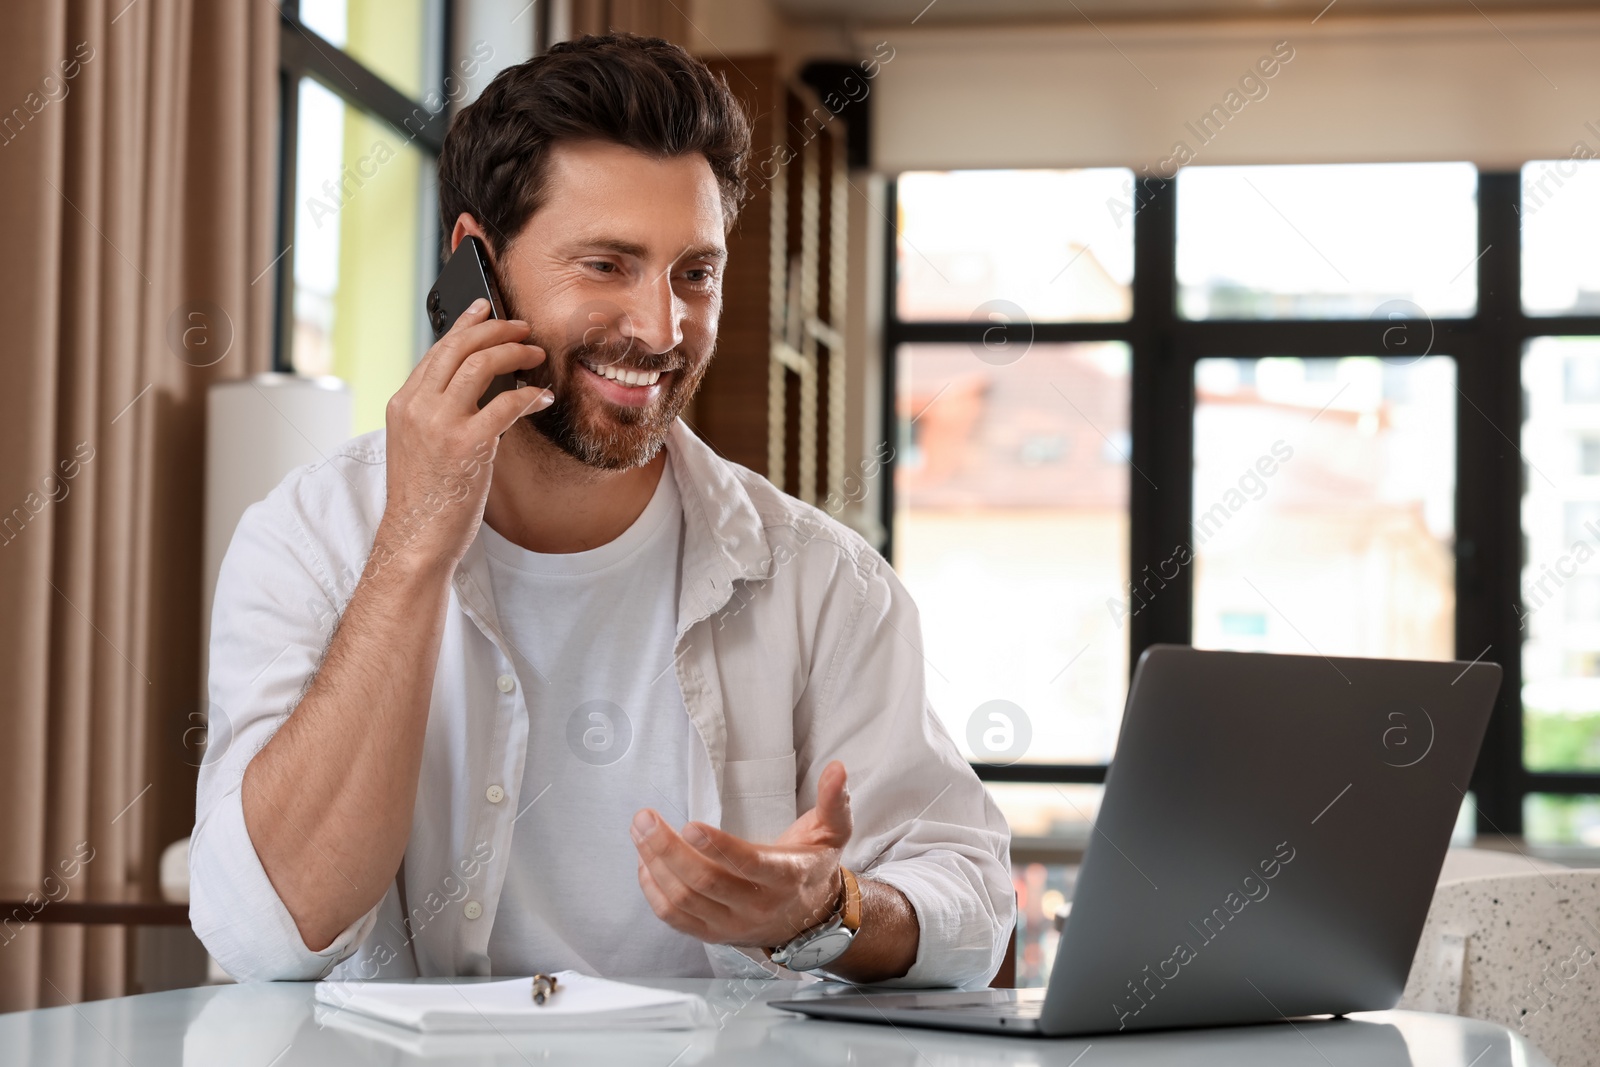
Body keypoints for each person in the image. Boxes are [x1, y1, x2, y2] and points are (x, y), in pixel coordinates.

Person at [190, 32, 1012, 988]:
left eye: (693, 273)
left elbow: (972, 897)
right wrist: (413, 545)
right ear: (475, 265)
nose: (661, 330)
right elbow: (262, 933)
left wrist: (829, 911)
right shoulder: (311, 538)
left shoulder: (820, 577)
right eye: (608, 264)